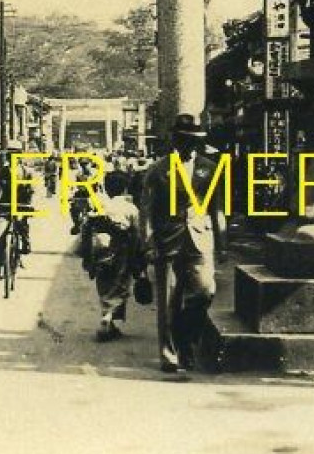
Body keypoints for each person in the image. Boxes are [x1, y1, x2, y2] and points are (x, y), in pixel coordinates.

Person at [138, 114, 226, 377]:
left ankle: (185, 338)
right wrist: (148, 243)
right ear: (175, 140)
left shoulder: (209, 169)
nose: (189, 146)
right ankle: (170, 354)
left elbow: (217, 209)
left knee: (205, 291)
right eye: (184, 140)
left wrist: (222, 244)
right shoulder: (157, 170)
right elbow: (146, 212)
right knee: (168, 302)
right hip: (167, 241)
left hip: (201, 238)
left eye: (194, 141)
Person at [84, 172, 142, 341]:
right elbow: (138, 232)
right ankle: (108, 317)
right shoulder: (130, 208)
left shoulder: (102, 205)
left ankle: (111, 324)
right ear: (125, 189)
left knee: (104, 284)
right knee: (121, 285)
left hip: (101, 250)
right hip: (122, 251)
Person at [0, 152, 33, 280]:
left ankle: (25, 244)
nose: (13, 157)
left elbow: (31, 190)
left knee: (21, 226)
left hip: (21, 205)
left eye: (16, 155)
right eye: (11, 154)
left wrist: (29, 204)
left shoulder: (26, 172)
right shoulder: (1, 172)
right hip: (5, 205)